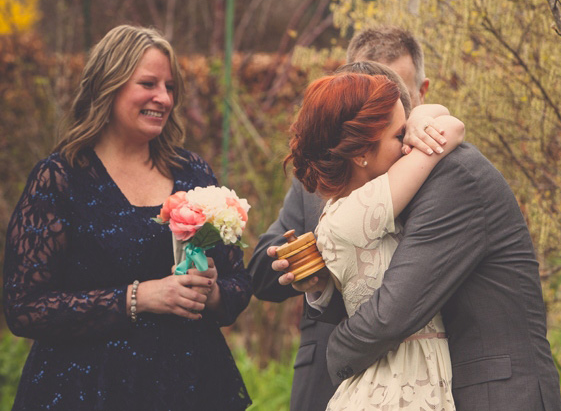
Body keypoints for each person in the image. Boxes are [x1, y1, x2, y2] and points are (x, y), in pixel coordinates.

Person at [3, 25, 252, 410]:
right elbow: (25, 307)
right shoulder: (61, 178)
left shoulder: (193, 173)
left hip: (186, 387)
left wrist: (212, 292)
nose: (163, 98)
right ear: (109, 86)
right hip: (85, 389)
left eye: (170, 87)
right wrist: (138, 297)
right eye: (148, 83)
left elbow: (238, 282)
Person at [247, 27, 439, 411]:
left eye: (396, 91)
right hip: (332, 376)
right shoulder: (320, 190)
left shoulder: (440, 170)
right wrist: (313, 268)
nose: (381, 108)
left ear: (420, 92)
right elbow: (260, 269)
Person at [285, 72, 464, 409]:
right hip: (392, 392)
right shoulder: (357, 211)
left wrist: (419, 118)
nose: (409, 143)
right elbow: (452, 129)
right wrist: (425, 123)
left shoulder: (352, 207)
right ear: (361, 153)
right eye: (400, 134)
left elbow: (441, 116)